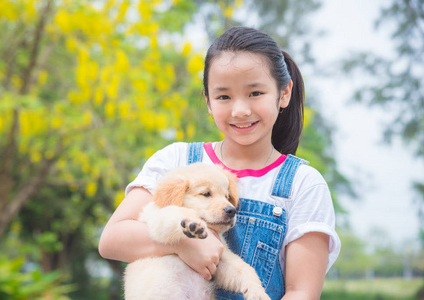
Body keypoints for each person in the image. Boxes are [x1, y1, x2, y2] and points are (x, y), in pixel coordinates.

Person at [99, 26, 340, 300]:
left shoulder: (303, 184)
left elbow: (301, 292)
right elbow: (111, 240)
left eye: (255, 93)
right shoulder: (176, 160)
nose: (240, 110)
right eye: (224, 96)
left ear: (283, 94)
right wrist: (184, 245)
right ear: (209, 102)